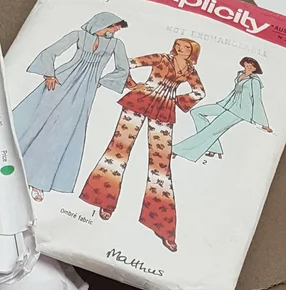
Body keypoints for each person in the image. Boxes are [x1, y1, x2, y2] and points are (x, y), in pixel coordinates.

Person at [78, 38, 205, 252]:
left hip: (164, 109)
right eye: (178, 46)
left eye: (186, 48)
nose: (180, 50)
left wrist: (178, 100)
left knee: (161, 166)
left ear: (192, 52)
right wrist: (131, 83)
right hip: (139, 100)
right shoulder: (161, 58)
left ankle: (161, 226)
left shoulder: (190, 71)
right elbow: (127, 62)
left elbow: (200, 92)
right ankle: (102, 201)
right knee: (117, 151)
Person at [11, 13, 130, 202]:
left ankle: (39, 181)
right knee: (38, 121)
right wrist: (49, 75)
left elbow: (123, 68)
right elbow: (49, 53)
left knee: (62, 134)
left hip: (85, 91)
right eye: (114, 26)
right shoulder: (78, 35)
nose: (116, 30)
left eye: (117, 27)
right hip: (60, 80)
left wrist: (102, 81)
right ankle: (12, 167)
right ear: (103, 23)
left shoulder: (116, 44)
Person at [172, 56, 272, 163]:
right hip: (227, 104)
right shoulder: (240, 74)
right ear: (244, 63)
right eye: (248, 64)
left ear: (255, 69)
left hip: (239, 111)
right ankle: (214, 148)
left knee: (211, 130)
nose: (249, 67)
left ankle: (178, 150)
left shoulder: (255, 81)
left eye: (252, 66)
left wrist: (263, 123)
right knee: (196, 112)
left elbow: (257, 99)